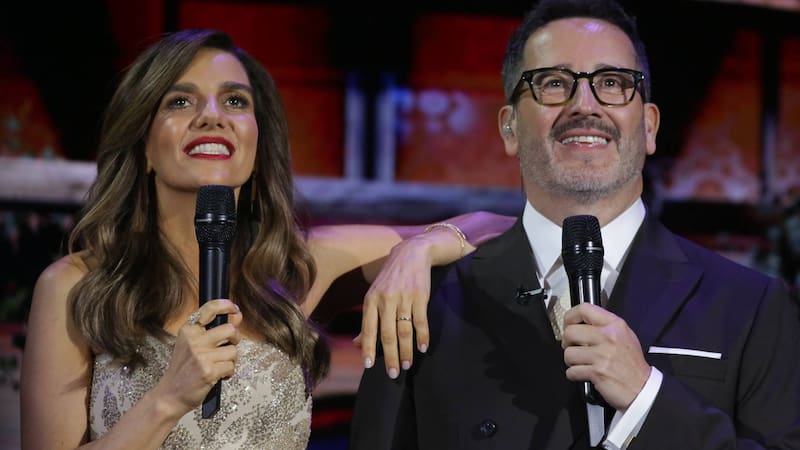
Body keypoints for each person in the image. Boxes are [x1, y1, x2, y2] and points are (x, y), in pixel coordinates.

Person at [18, 29, 514, 450]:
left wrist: (419, 248)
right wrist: (168, 400)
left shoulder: (298, 267)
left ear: (256, 145)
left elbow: (505, 229)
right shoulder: (76, 286)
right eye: (180, 101)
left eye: (235, 101)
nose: (212, 115)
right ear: (144, 146)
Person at [349, 0, 800, 449]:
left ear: (649, 126)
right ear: (509, 128)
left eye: (612, 83)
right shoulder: (422, 305)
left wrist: (646, 400)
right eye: (553, 83)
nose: (585, 105)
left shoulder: (750, 306)